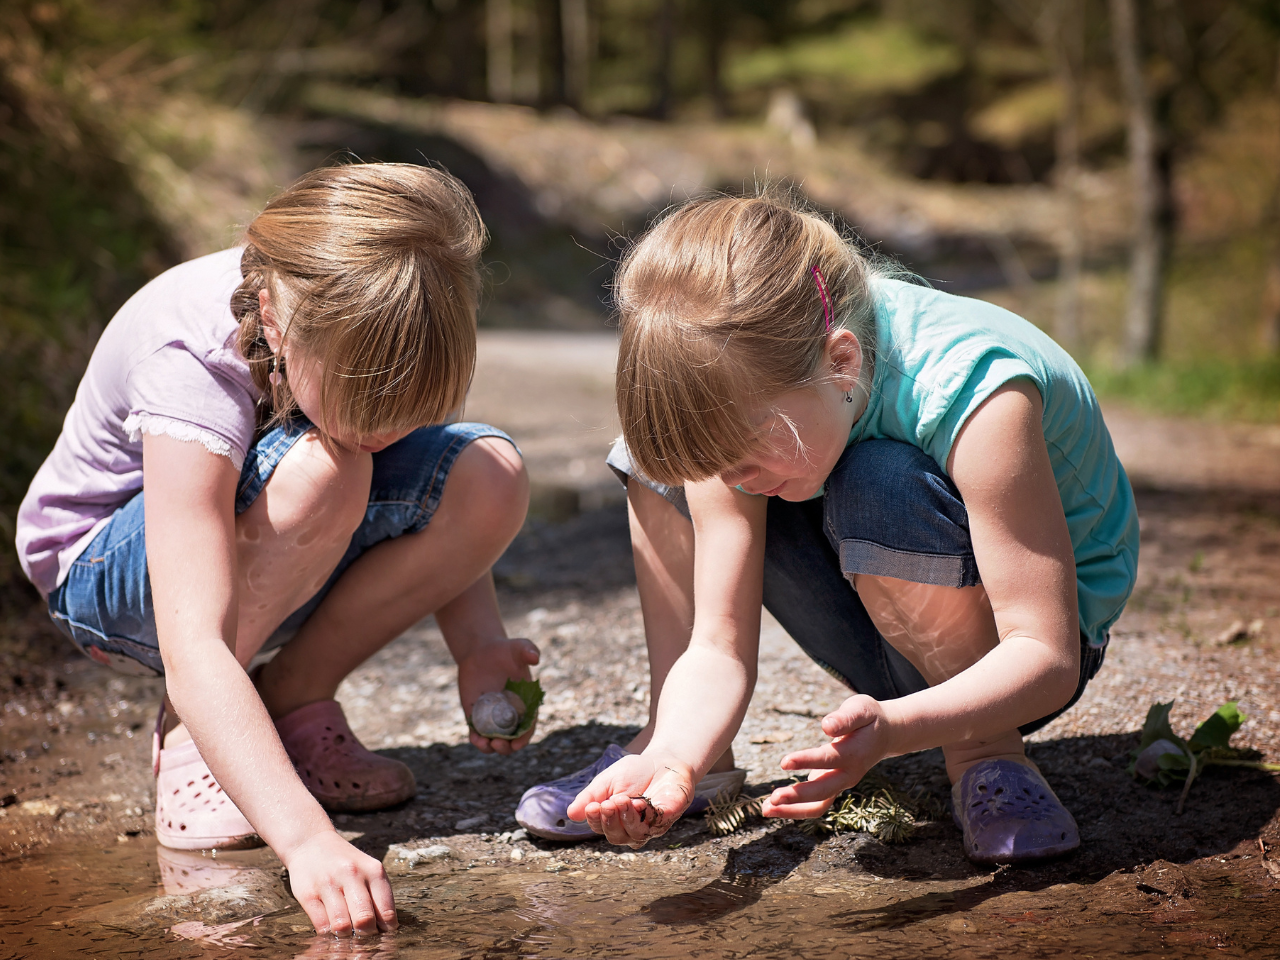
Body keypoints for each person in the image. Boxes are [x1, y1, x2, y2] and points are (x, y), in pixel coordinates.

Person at [16, 163, 538, 934]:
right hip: (107, 572)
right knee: (330, 465)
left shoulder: (364, 316)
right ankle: (193, 735)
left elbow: (424, 477)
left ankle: (294, 697)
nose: (389, 432)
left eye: (411, 412)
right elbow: (193, 642)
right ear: (273, 318)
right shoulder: (193, 362)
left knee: (485, 473)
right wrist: (306, 839)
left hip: (266, 535)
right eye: (371, 406)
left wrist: (480, 644)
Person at [543, 192, 1136, 864]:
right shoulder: (755, 399)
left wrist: (895, 729)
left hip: (1015, 662)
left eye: (749, 453)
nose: (736, 481)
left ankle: (985, 756)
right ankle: (683, 745)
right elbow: (717, 644)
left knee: (876, 480)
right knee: (660, 458)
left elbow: (1047, 658)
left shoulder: (974, 389)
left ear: (843, 361)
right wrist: (674, 756)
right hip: (888, 635)